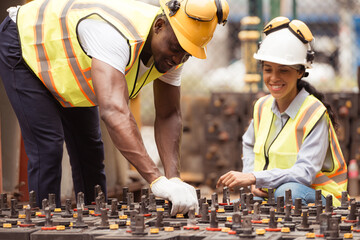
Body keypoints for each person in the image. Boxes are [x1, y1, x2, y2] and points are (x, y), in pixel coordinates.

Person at [0, 0, 229, 214]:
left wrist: (173, 179)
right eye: (176, 48)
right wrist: (156, 180)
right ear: (159, 26)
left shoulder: (174, 48)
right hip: (25, 44)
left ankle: (90, 219)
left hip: (67, 65)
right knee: (47, 146)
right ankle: (42, 225)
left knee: (89, 147)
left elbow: (169, 114)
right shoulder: (115, 35)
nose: (178, 59)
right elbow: (114, 112)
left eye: (187, 54)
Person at [217, 17, 347, 207]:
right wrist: (253, 179)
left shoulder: (314, 112)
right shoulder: (261, 106)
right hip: (275, 193)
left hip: (321, 195)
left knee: (287, 192)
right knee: (250, 200)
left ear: (300, 72)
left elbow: (304, 173)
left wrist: (255, 177)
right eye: (268, 69)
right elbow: (248, 143)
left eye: (284, 70)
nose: (274, 78)